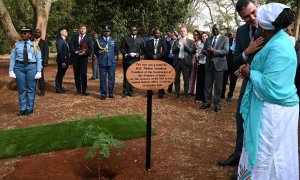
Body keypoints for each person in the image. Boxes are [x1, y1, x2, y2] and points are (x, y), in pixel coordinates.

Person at [237, 3, 299, 179]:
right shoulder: (278, 39)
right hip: (273, 108)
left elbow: (271, 87)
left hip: (273, 113)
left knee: (270, 154)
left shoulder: (280, 46)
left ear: (264, 27)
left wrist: (248, 72)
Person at [218, 0, 264, 167]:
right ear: (241, 17)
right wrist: (247, 52)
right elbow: (234, 61)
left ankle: (254, 163)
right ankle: (238, 156)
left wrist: (247, 66)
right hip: (248, 83)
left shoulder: (270, 26)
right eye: (246, 16)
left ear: (257, 5)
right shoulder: (242, 31)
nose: (252, 17)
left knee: (260, 123)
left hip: (265, 84)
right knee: (240, 117)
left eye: (253, 12)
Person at [9, 26, 42, 116]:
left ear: (30, 34)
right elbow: (12, 58)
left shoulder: (35, 45)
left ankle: (29, 107)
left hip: (31, 67)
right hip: (19, 68)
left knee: (31, 88)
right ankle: (22, 108)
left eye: (25, 33)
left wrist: (39, 71)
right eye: (21, 32)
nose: (23, 34)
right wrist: (11, 70)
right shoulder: (16, 45)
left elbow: (39, 59)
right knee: (21, 89)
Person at [200, 24, 229, 112]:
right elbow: (203, 50)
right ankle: (207, 102)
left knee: (218, 86)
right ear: (212, 30)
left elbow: (226, 51)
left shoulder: (225, 39)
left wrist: (214, 51)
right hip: (209, 65)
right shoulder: (208, 39)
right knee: (207, 85)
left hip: (219, 66)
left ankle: (217, 104)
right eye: (214, 29)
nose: (215, 30)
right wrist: (208, 52)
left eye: (217, 29)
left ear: (219, 30)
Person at [94, 25, 118, 100]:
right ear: (103, 32)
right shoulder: (99, 40)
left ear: (110, 32)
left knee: (111, 79)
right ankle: (103, 94)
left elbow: (116, 50)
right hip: (102, 62)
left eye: (108, 31)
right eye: (105, 31)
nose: (107, 32)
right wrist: (100, 57)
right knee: (103, 79)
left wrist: (112, 57)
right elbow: (95, 51)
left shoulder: (113, 40)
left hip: (111, 62)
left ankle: (111, 93)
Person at [120, 26, 144, 97]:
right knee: (126, 76)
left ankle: (131, 91)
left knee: (133, 76)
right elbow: (122, 48)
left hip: (135, 60)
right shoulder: (126, 38)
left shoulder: (140, 39)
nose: (133, 31)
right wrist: (126, 54)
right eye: (132, 30)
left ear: (137, 31)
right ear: (130, 31)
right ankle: (125, 91)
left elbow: (143, 50)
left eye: (135, 30)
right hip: (127, 60)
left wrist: (137, 54)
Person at [70, 24, 93, 96]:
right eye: (81, 28)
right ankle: (78, 90)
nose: (82, 30)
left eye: (84, 29)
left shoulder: (88, 38)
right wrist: (75, 51)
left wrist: (84, 52)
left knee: (83, 74)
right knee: (76, 74)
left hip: (84, 59)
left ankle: (84, 90)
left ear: (86, 30)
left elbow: (91, 49)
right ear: (79, 29)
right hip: (75, 58)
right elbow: (71, 46)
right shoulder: (74, 37)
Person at [144, 28, 168, 98]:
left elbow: (165, 51)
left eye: (159, 33)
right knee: (150, 76)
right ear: (153, 34)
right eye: (156, 33)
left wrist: (157, 55)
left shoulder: (162, 41)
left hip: (159, 60)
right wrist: (152, 56)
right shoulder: (149, 42)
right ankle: (149, 92)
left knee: (159, 77)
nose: (158, 34)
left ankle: (161, 92)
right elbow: (147, 51)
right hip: (151, 60)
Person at [172, 26, 194, 99]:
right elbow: (173, 51)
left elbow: (192, 51)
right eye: (181, 31)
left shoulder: (191, 41)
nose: (182, 32)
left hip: (186, 62)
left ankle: (185, 94)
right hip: (177, 62)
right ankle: (177, 93)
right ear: (179, 32)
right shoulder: (176, 41)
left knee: (186, 79)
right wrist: (178, 46)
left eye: (184, 31)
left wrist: (185, 45)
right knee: (177, 79)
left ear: (186, 32)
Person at [221, 31, 238, 102]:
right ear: (233, 33)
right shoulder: (228, 40)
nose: (236, 34)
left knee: (233, 81)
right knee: (224, 79)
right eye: (235, 32)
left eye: (237, 33)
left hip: (235, 64)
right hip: (226, 63)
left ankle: (230, 95)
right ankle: (222, 94)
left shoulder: (240, 42)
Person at [34, 29, 49, 97]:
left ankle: (42, 91)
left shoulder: (44, 42)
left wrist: (45, 62)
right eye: (36, 32)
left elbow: (46, 53)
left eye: (39, 32)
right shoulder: (31, 42)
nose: (38, 33)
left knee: (40, 77)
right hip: (31, 62)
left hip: (40, 63)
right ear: (34, 33)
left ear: (40, 34)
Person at [55, 28, 70, 93]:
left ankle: (60, 87)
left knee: (62, 74)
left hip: (66, 61)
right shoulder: (60, 41)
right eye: (65, 31)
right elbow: (60, 51)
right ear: (61, 33)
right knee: (60, 74)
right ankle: (58, 89)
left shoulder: (65, 41)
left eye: (66, 31)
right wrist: (63, 61)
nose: (67, 32)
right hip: (62, 61)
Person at [195, 32, 208, 103]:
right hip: (200, 63)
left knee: (205, 81)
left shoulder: (210, 45)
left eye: (205, 36)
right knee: (199, 81)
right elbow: (197, 54)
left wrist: (204, 54)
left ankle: (203, 98)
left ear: (207, 37)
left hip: (207, 64)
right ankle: (198, 97)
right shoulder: (200, 44)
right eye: (202, 36)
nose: (204, 38)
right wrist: (198, 56)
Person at [188, 30, 202, 95]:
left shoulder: (201, 42)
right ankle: (190, 90)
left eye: (197, 34)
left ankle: (196, 90)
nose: (195, 36)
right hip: (192, 59)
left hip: (198, 59)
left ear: (199, 35)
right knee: (191, 75)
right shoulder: (192, 41)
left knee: (197, 75)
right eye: (194, 34)